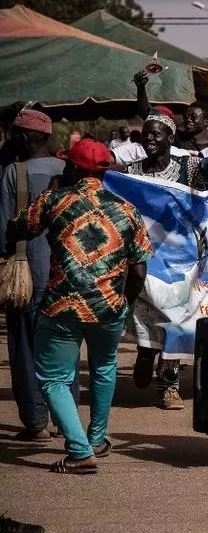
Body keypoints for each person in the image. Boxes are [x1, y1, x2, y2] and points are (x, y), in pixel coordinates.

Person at [6, 138, 152, 474]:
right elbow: (140, 269)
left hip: (63, 307)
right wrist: (123, 303)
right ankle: (98, 439)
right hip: (110, 307)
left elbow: (19, 227)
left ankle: (78, 450)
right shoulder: (127, 210)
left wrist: (52, 191)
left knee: (54, 378)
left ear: (72, 167)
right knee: (103, 369)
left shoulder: (55, 201)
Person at [125, 110, 208, 410]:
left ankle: (168, 384)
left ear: (170, 138)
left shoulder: (187, 166)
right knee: (146, 313)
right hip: (144, 256)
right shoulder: (133, 171)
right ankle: (145, 351)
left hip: (181, 259)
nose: (150, 138)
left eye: (157, 134)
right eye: (147, 133)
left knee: (175, 318)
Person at [0, 109, 65, 442]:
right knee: (62, 351)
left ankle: (36, 423)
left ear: (25, 138)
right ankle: (63, 421)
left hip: (27, 276)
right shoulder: (70, 172)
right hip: (66, 279)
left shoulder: (14, 173)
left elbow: (3, 233)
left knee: (24, 348)